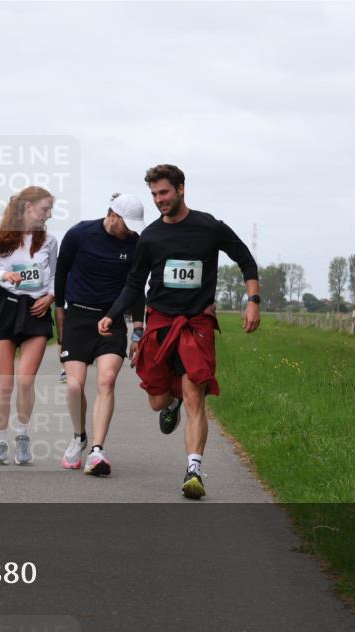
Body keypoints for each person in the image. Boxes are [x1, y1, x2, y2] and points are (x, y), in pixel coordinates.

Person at [99, 165, 260, 499]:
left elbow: (245, 258)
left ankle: (194, 470)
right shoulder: (152, 237)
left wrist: (253, 300)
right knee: (158, 402)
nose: (159, 200)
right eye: (155, 194)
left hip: (196, 324)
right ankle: (170, 401)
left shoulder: (208, 227)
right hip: (160, 322)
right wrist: (113, 315)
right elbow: (134, 283)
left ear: (181, 189)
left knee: (195, 397)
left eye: (164, 193)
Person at [54, 193, 146, 476]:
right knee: (74, 386)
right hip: (78, 318)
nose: (131, 230)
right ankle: (79, 436)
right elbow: (61, 272)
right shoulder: (80, 234)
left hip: (112, 320)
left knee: (107, 380)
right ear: (113, 215)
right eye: (127, 223)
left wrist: (138, 329)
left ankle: (97, 450)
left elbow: (136, 287)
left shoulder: (135, 245)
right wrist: (60, 312)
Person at [0, 186, 58, 466]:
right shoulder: (0, 240)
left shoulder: (49, 241)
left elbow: (56, 275)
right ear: (27, 207)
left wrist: (50, 297)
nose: (49, 214)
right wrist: (4, 274)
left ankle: (22, 434)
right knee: (5, 383)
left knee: (25, 381)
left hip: (36, 312)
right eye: (45, 209)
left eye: (50, 209)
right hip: (7, 309)